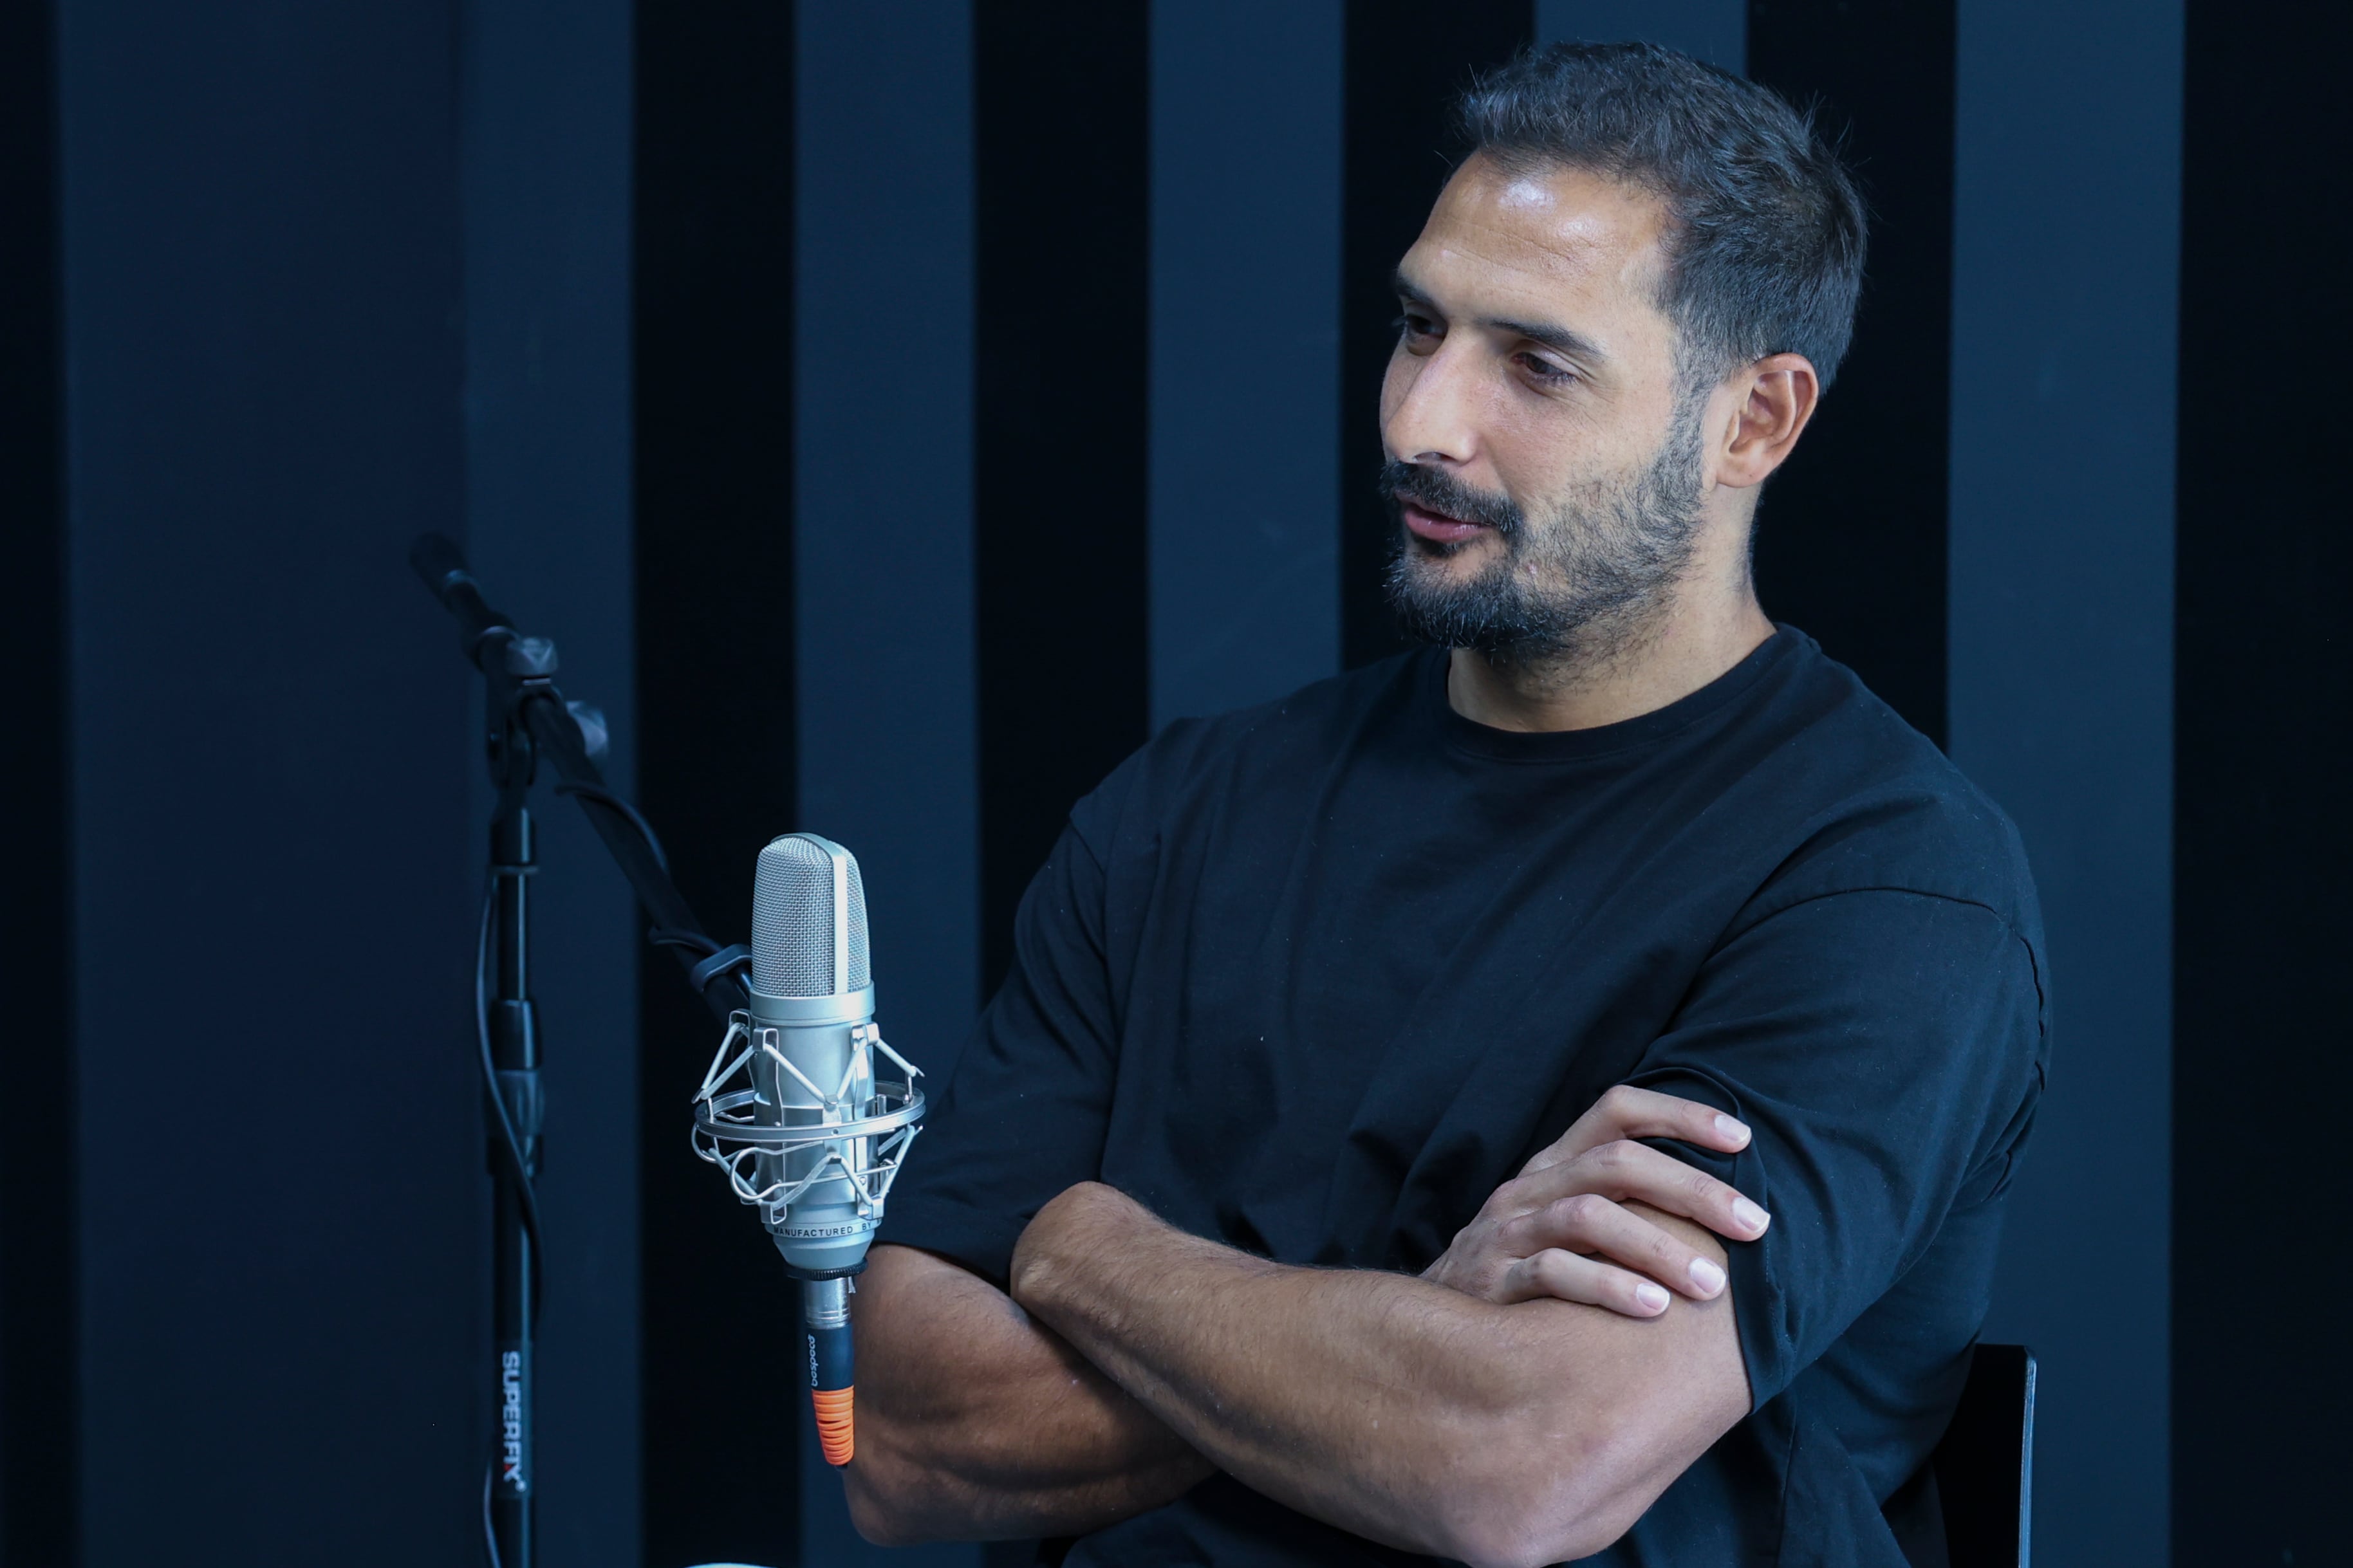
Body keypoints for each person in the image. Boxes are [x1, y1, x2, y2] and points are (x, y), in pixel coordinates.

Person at [848, 41, 2045, 1567]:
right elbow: (889, 1442)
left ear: (1754, 422)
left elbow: (1516, 1467)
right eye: (1420, 326)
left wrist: (1079, 1247)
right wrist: (1418, 1318)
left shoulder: (1882, 887)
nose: (1424, 420)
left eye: (1535, 364)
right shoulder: (1182, 812)